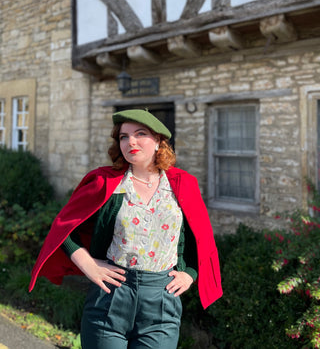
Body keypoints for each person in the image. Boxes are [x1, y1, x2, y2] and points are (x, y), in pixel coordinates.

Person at [29, 109, 222, 349]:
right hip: (111, 297)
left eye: (140, 134)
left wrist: (190, 274)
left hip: (161, 300)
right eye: (123, 136)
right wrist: (90, 265)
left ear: (159, 141)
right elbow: (63, 229)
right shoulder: (105, 182)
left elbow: (201, 239)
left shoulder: (184, 184)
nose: (130, 141)